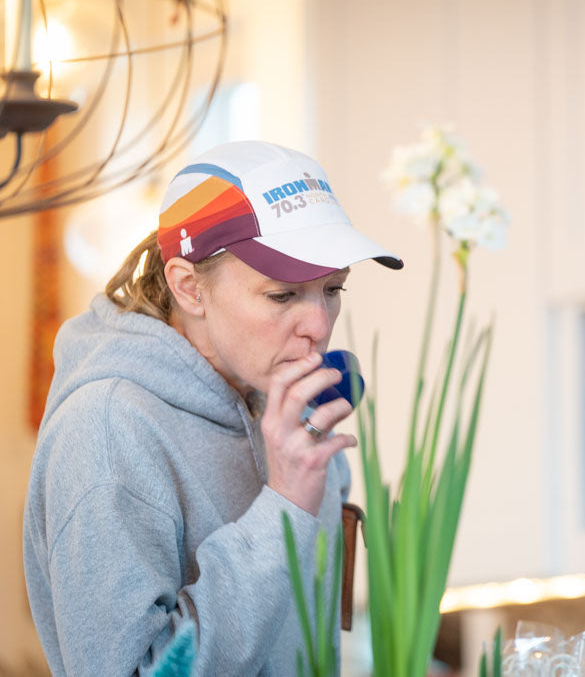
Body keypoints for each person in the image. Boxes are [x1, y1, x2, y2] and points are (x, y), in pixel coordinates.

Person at [22, 141, 403, 675]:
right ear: (188, 287)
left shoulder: (290, 408)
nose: (319, 326)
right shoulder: (105, 431)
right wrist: (285, 506)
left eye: (333, 289)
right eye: (283, 295)